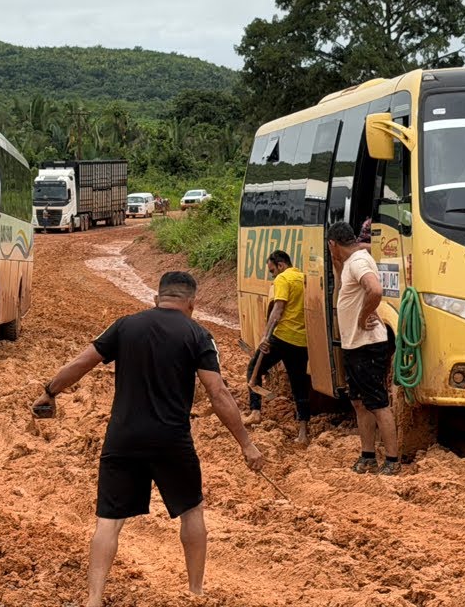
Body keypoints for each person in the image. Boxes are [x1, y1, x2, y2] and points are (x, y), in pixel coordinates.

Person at [32, 271, 263, 606]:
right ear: (192, 304)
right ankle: (195, 593)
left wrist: (49, 392)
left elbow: (82, 363)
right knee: (192, 511)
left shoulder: (125, 326)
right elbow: (218, 392)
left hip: (123, 438)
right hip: (172, 439)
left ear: (157, 298)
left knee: (108, 522)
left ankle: (94, 599)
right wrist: (246, 443)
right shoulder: (198, 334)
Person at [326, 221, 400, 476]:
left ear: (332, 244)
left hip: (367, 345)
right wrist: (337, 266)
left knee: (377, 402)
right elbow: (346, 293)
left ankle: (392, 460)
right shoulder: (349, 264)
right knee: (359, 402)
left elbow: (375, 290)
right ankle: (368, 456)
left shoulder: (357, 262)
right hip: (354, 345)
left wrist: (363, 315)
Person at [245, 250, 312, 444]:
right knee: (299, 385)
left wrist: (266, 336)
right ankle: (303, 433)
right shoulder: (302, 278)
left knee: (253, 369)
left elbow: (278, 308)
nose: (273, 274)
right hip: (301, 341)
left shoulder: (283, 279)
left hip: (282, 337)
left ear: (281, 265)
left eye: (272, 270)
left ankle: (255, 411)